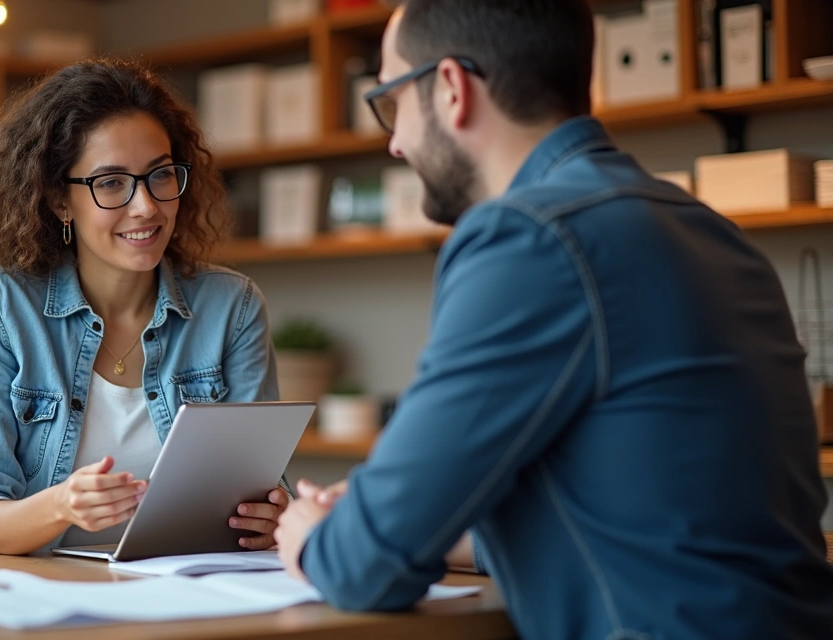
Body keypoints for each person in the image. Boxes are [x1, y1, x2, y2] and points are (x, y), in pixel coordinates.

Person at [274, 1, 833, 637]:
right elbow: (651, 519)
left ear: (452, 88)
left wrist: (314, 535)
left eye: (393, 102)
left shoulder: (528, 236)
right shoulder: (710, 230)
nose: (395, 141)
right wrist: (435, 528)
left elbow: (362, 567)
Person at [0, 58, 285, 556]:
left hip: (190, 600)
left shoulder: (233, 307)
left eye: (160, 176)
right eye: (111, 183)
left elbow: (262, 489)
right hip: (41, 606)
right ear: (60, 200)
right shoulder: (0, 307)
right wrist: (61, 505)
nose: (145, 205)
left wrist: (273, 515)